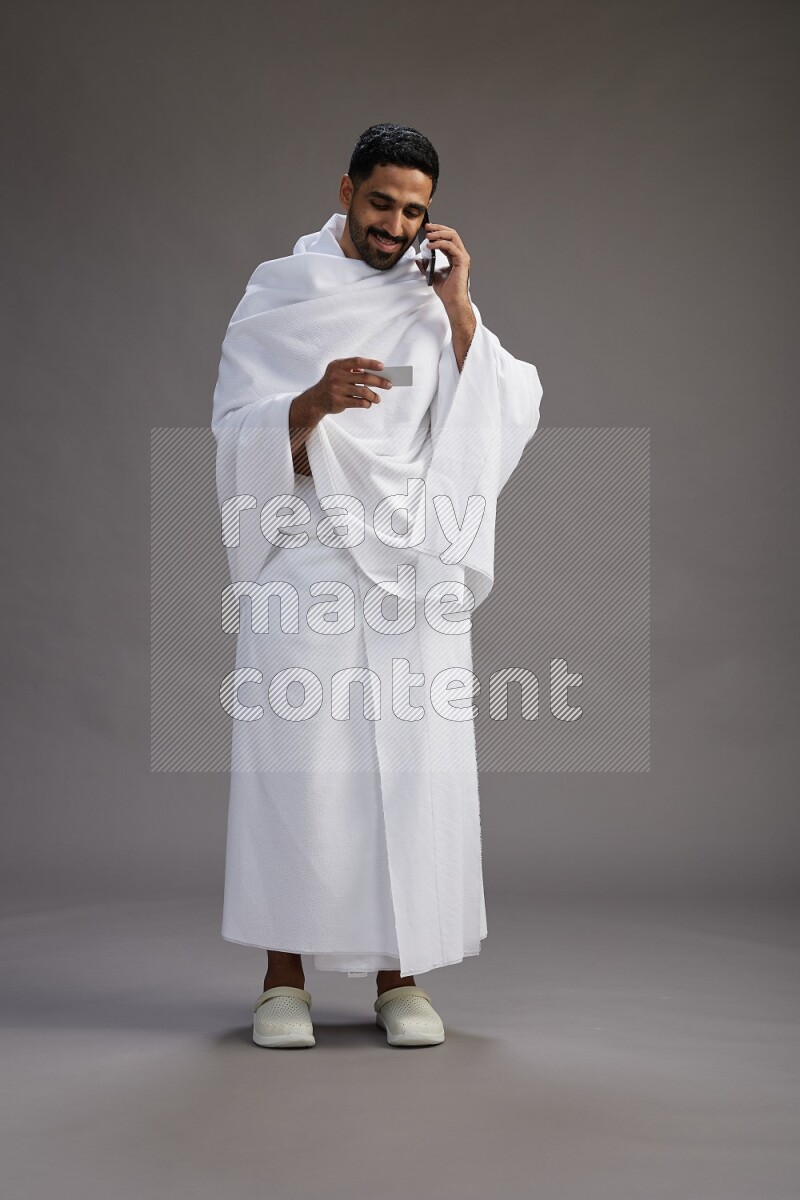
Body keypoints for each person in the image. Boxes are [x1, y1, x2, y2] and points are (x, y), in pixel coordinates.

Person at [211, 123, 543, 1048]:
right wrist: (310, 403)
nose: (396, 223)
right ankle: (283, 981)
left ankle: (403, 977)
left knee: (411, 766)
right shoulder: (280, 293)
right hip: (309, 552)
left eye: (415, 209)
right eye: (382, 202)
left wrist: (464, 308)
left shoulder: (433, 301)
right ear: (347, 190)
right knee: (300, 766)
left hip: (412, 561)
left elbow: (507, 409)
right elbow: (234, 428)